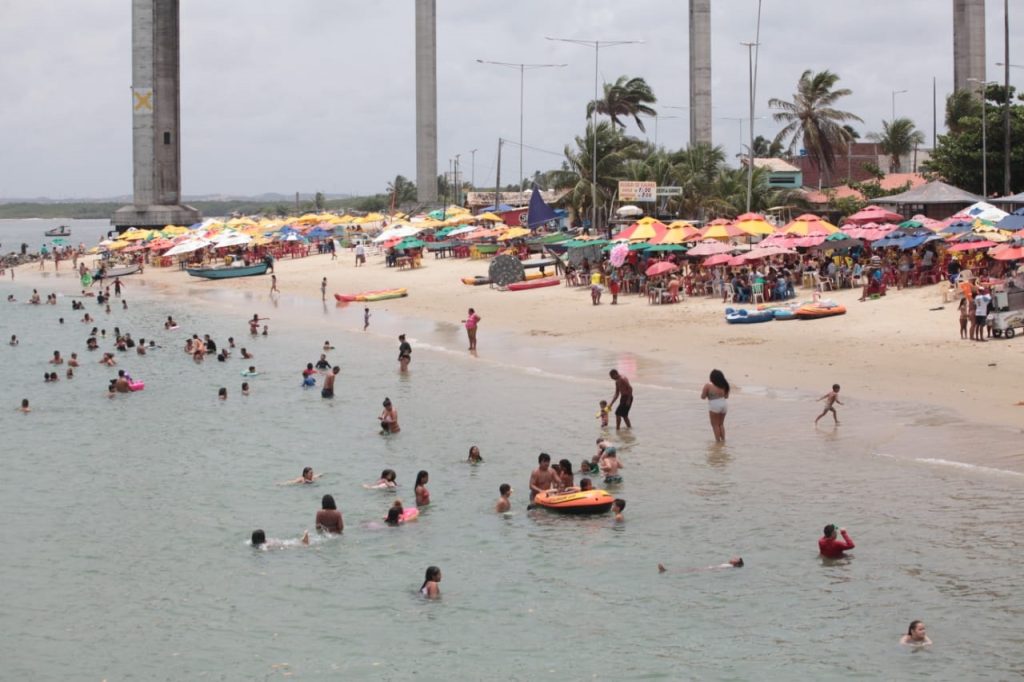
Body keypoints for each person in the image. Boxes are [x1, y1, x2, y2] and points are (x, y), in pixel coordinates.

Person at [701, 369, 730, 442]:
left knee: (715, 425)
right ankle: (723, 440)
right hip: (724, 404)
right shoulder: (725, 385)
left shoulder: (708, 386)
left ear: (712, 378)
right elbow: (726, 397)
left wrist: (708, 395)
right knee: (721, 424)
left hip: (714, 405)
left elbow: (703, 397)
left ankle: (718, 442)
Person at [657, 558, 744, 573]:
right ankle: (668, 570)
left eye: (735, 559)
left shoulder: (730, 566)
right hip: (710, 569)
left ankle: (666, 571)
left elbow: (719, 569)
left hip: (709, 569)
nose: (732, 558)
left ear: (735, 563)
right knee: (690, 569)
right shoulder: (729, 565)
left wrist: (710, 568)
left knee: (691, 570)